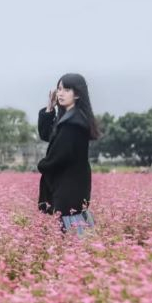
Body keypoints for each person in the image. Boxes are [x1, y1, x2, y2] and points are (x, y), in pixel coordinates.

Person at [36, 73, 100, 232]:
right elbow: (47, 135)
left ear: (77, 94)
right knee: (75, 231)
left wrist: (42, 165)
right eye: (59, 89)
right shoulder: (69, 118)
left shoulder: (73, 123)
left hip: (70, 186)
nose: (61, 93)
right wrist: (50, 109)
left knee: (72, 234)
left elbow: (59, 156)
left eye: (67, 89)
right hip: (70, 183)